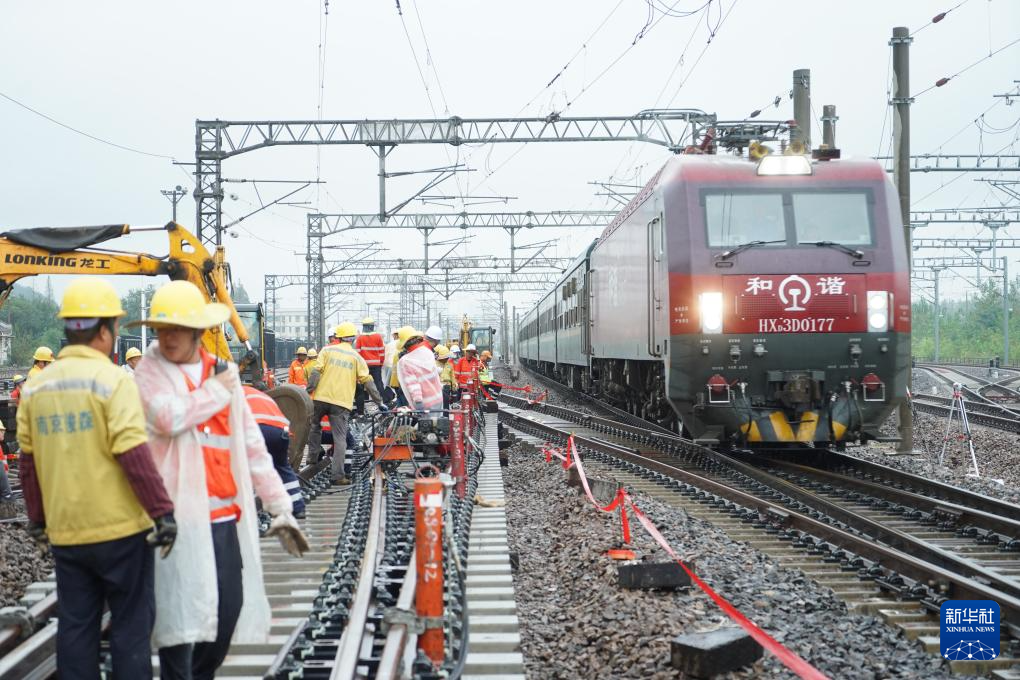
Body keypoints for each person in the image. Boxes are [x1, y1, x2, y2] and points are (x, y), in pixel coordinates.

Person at [131, 280, 308, 680]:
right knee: (179, 621)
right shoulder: (150, 372)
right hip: (173, 517)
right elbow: (168, 418)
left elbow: (251, 445)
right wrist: (216, 391)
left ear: (197, 331)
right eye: (162, 329)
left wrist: (280, 507)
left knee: (226, 611)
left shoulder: (220, 373)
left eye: (177, 330)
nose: (168, 338)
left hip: (222, 516)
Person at [17, 278, 176, 680]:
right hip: (121, 531)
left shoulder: (35, 388)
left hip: (67, 532)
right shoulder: (114, 381)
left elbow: (28, 464)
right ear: (104, 330)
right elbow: (133, 454)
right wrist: (162, 512)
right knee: (131, 625)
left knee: (76, 624)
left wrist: (38, 520)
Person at [307, 322, 385, 485]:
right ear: (353, 339)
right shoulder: (356, 357)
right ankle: (337, 476)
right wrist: (379, 402)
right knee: (340, 439)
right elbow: (367, 381)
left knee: (314, 427)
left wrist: (309, 390)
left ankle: (312, 458)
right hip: (341, 403)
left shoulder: (326, 350)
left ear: (339, 337)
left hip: (320, 398)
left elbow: (316, 371)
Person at [243, 385, 306, 519]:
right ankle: (298, 508)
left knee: (249, 466)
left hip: (259, 429)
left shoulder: (235, 394)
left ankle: (264, 505)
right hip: (281, 432)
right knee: (282, 467)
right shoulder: (262, 396)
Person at [396, 329, 444, 415]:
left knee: (428, 423)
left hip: (425, 403)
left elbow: (413, 385)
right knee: (438, 421)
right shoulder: (428, 352)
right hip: (438, 398)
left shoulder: (405, 361)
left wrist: (418, 403)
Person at [354, 317, 386, 396]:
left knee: (363, 382)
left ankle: (364, 399)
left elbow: (358, 353)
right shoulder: (378, 337)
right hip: (376, 365)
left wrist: (358, 365)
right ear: (372, 326)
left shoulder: (360, 338)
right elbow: (382, 352)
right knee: (378, 382)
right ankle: (382, 399)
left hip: (364, 365)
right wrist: (381, 363)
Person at [434, 345, 456, 409]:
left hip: (447, 388)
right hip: (437, 388)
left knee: (446, 406)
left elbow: (453, 378)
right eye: (445, 357)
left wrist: (454, 389)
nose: (447, 359)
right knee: (438, 406)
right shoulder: (434, 364)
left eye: (447, 357)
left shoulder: (449, 365)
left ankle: (446, 415)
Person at [381, 330, 399, 402]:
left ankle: (389, 399)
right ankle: (397, 398)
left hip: (388, 365)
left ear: (394, 335)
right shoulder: (403, 343)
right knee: (398, 384)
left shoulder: (389, 344)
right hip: (398, 365)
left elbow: (385, 356)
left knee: (388, 383)